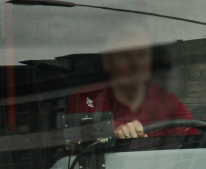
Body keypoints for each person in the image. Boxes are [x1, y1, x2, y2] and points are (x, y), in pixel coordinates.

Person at [67, 25, 197, 139]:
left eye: (141, 56)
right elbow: (81, 132)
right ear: (108, 61)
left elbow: (193, 143)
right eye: (125, 56)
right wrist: (114, 130)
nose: (135, 64)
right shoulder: (87, 97)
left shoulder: (169, 103)